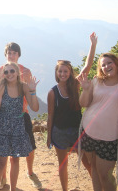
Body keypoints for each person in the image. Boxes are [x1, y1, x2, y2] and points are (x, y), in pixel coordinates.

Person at [78, 53, 118, 191]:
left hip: (110, 138)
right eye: (103, 65)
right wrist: (86, 89)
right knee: (94, 169)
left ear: (117, 63)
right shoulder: (97, 81)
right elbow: (84, 103)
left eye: (109, 63)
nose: (106, 66)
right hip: (88, 131)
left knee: (105, 175)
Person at [46, 33, 96, 191]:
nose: (63, 74)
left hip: (78, 130)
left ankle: (98, 186)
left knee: (88, 162)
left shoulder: (76, 85)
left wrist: (93, 45)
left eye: (65, 71)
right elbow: (51, 115)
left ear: (70, 72)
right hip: (59, 132)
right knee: (63, 164)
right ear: (56, 73)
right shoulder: (52, 92)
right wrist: (49, 137)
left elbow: (87, 66)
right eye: (60, 71)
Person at [0, 42, 41, 189]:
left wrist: (32, 91)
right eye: (6, 72)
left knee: (16, 158)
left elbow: (35, 107)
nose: (9, 74)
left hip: (20, 119)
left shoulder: (25, 77)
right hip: (3, 122)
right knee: (1, 160)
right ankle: (2, 181)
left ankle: (16, 184)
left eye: (12, 72)